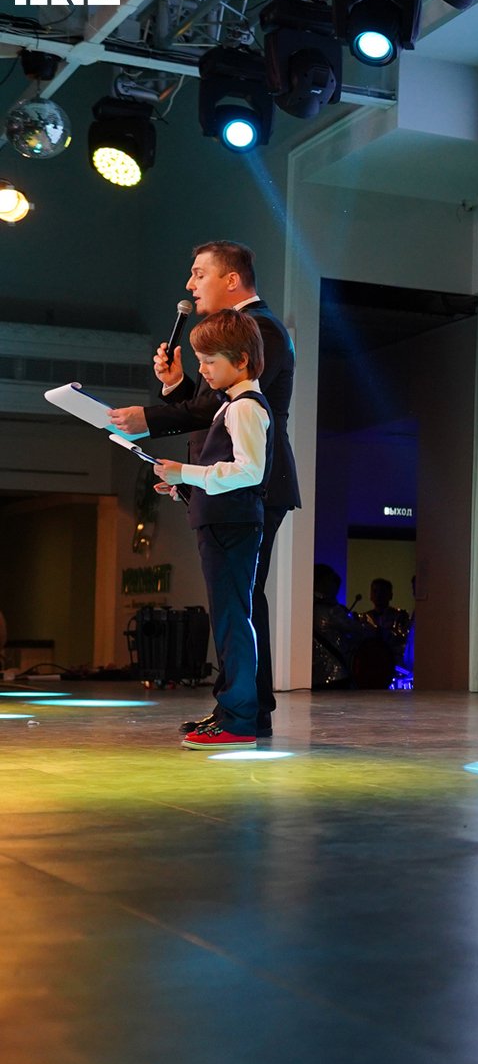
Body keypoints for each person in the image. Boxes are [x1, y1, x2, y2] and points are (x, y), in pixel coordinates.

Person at [108, 242, 301, 738]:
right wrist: (176, 386)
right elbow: (212, 406)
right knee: (236, 606)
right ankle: (242, 710)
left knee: (239, 607)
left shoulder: (258, 328)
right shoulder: (239, 336)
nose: (190, 285)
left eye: (199, 274)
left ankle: (244, 713)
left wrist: (150, 419)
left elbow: (222, 409)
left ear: (231, 279)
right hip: (226, 491)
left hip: (250, 493)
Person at [150, 311, 270, 751]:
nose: (201, 370)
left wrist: (186, 472)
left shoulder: (245, 407)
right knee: (228, 620)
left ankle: (238, 720)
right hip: (223, 521)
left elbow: (249, 471)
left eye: (208, 361)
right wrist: (184, 485)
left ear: (241, 359)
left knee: (233, 621)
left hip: (231, 524)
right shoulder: (232, 405)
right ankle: (228, 713)